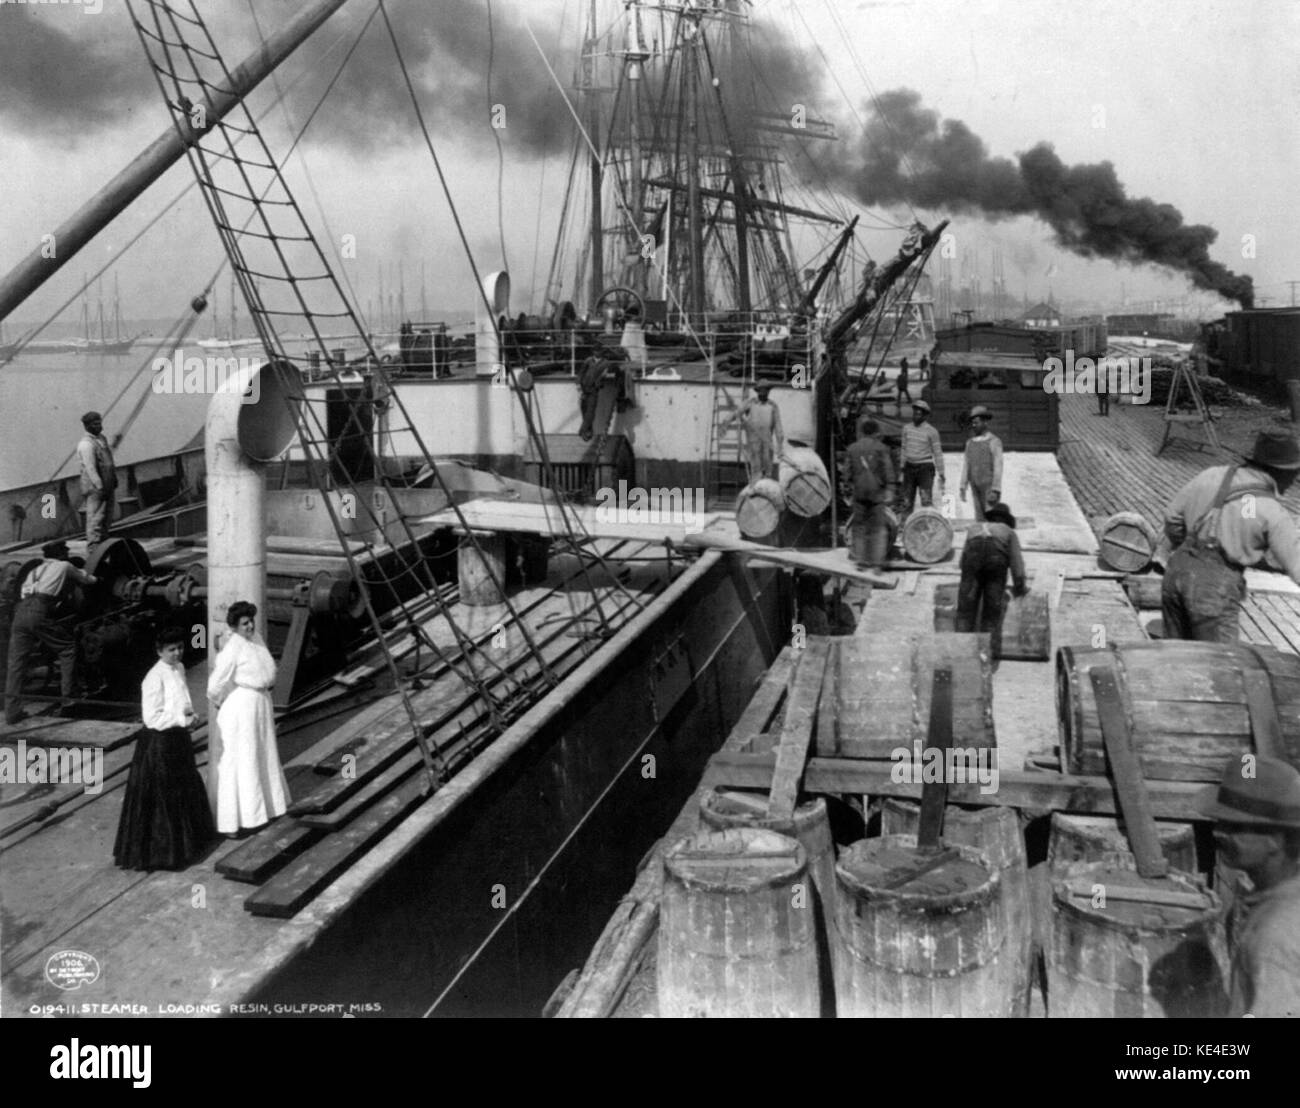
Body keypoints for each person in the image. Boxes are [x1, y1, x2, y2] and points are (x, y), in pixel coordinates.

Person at [1162, 430, 1300, 643]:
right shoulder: (1272, 512)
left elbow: (1172, 517)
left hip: (1175, 573)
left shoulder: (1211, 474)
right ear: (1281, 472)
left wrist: (1189, 550)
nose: (1294, 479)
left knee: (1176, 658)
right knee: (1221, 666)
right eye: (1295, 472)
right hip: (1214, 592)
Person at [1202, 756, 1300, 1017]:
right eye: (1219, 822)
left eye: (1235, 827)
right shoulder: (1281, 894)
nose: (1217, 832)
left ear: (1278, 839)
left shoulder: (1274, 934)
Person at [113, 626, 216, 870]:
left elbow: (181, 700)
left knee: (184, 787)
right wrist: (182, 720)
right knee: (163, 796)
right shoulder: (153, 678)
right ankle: (165, 854)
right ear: (159, 651)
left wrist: (189, 715)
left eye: (180, 647)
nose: (177, 653)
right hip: (159, 744)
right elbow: (152, 718)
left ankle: (189, 845)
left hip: (178, 739)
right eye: (171, 650)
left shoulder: (178, 668)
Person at [206, 601, 290, 835]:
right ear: (234, 627)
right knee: (243, 760)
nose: (250, 625)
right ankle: (236, 822)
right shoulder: (232, 648)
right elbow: (214, 685)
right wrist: (222, 702)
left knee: (263, 755)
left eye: (251, 621)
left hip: (261, 704)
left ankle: (266, 810)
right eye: (245, 623)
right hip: (242, 708)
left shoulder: (257, 639)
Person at [4, 540, 97, 725]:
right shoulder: (64, 566)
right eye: (66, 551)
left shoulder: (34, 570)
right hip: (39, 610)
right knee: (68, 649)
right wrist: (98, 579)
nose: (68, 554)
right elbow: (88, 580)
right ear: (61, 554)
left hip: (20, 612)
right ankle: (69, 699)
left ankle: (12, 712)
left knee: (16, 663)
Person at [955, 501, 1028, 660]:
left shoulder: (974, 528)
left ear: (991, 518)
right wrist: (1020, 586)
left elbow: (962, 562)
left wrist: (970, 582)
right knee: (990, 612)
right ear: (1006, 521)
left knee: (965, 610)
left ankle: (960, 654)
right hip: (995, 562)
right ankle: (985, 656)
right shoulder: (1008, 532)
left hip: (972, 561)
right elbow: (1017, 565)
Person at [845, 417, 897, 568]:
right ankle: (877, 562)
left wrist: (848, 492)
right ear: (875, 432)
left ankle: (860, 560)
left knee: (859, 527)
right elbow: (889, 472)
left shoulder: (852, 449)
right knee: (878, 528)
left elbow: (846, 474)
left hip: (859, 494)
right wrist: (890, 490)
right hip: (877, 494)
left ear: (862, 432)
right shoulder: (882, 449)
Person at [78, 411, 117, 550]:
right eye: (95, 424)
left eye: (100, 423)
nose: (99, 426)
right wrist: (100, 486)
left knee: (107, 516)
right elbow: (90, 468)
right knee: (95, 517)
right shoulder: (86, 444)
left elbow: (108, 462)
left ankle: (104, 542)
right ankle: (93, 546)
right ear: (87, 426)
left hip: (108, 484)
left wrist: (113, 480)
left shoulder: (102, 439)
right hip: (95, 487)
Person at [897, 399, 944, 516]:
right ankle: (905, 527)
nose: (915, 416)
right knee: (906, 501)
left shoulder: (932, 431)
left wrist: (941, 472)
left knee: (926, 500)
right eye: (914, 413)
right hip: (909, 467)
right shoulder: (907, 429)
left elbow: (937, 453)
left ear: (924, 416)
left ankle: (927, 528)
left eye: (919, 414)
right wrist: (902, 466)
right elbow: (903, 448)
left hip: (925, 468)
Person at [732, 383, 784, 484]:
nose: (764, 393)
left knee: (768, 472)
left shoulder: (773, 406)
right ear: (758, 391)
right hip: (754, 443)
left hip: (767, 444)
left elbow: (778, 428)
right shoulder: (750, 403)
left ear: (769, 391)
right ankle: (755, 492)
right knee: (756, 472)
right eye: (762, 390)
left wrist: (780, 446)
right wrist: (734, 418)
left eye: (766, 390)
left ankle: (765, 494)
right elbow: (737, 413)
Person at [959, 405, 1004, 522]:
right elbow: (966, 465)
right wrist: (963, 486)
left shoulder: (994, 441)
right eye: (972, 423)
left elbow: (998, 466)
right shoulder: (970, 443)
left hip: (989, 486)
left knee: (992, 516)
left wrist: (996, 488)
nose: (974, 426)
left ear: (985, 422)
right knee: (979, 517)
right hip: (975, 485)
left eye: (976, 422)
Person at [577, 351, 609, 442]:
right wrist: (578, 383)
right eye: (595, 350)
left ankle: (583, 430)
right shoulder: (588, 361)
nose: (596, 352)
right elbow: (581, 372)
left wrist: (603, 376)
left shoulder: (605, 363)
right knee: (584, 409)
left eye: (598, 350)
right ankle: (588, 430)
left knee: (590, 410)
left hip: (594, 389)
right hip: (584, 389)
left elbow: (605, 373)